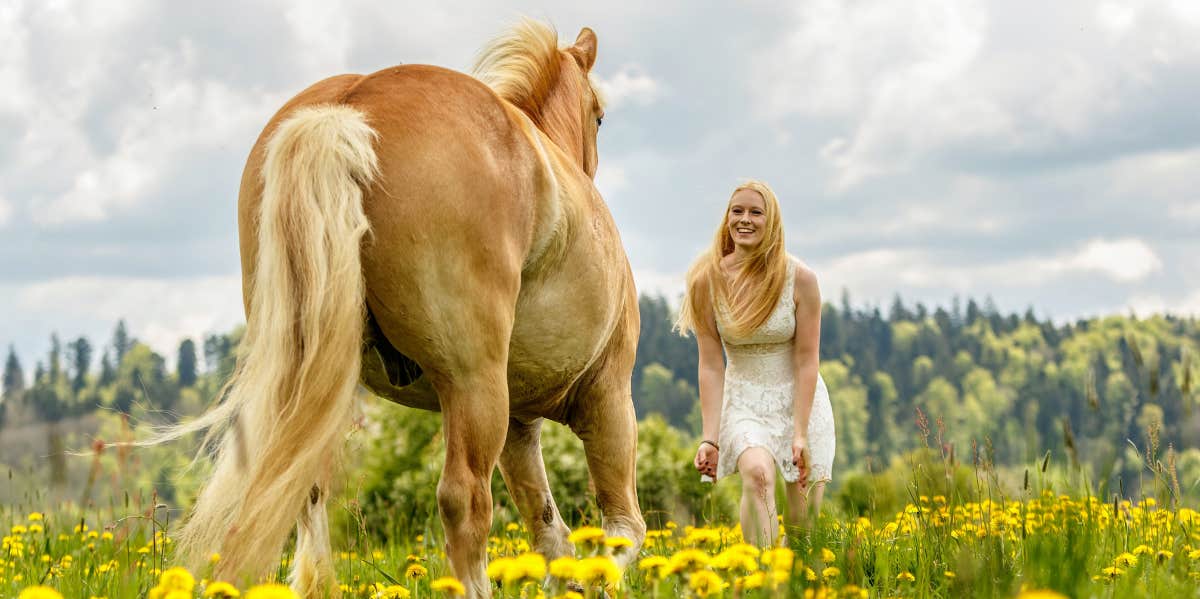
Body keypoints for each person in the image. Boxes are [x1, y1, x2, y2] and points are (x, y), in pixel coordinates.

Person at [675, 180, 835, 546]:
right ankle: (761, 579)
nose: (745, 220)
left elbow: (807, 360)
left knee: (802, 530)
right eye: (737, 211)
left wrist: (799, 432)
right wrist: (709, 439)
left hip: (800, 402)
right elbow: (711, 366)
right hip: (744, 400)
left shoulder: (802, 280)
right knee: (758, 474)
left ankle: (791, 580)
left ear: (772, 221)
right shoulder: (706, 282)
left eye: (755, 212)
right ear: (727, 218)